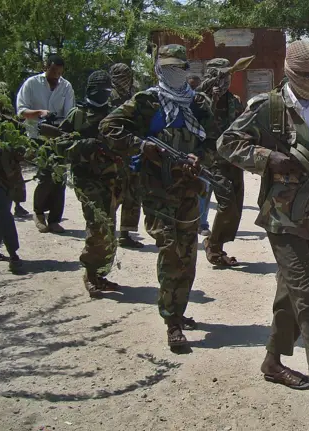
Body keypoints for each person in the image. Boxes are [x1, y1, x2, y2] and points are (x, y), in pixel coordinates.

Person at [217, 40, 309, 423]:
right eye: (304, 74)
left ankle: (273, 360)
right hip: (282, 217)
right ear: (288, 72)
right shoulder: (267, 108)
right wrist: (268, 159)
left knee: (290, 293)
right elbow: (227, 143)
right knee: (308, 296)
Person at [100, 44, 216, 349]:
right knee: (169, 250)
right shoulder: (146, 102)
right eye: (167, 68)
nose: (174, 74)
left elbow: (216, 140)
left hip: (188, 189)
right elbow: (109, 127)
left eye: (179, 68)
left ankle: (178, 308)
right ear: (157, 70)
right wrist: (141, 146)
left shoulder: (198, 104)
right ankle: (172, 320)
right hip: (155, 190)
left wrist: (199, 157)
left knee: (188, 254)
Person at [57, 70, 132, 298]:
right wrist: (84, 145)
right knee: (98, 227)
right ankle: (90, 274)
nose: (104, 95)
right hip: (87, 179)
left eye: (107, 91)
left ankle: (100, 274)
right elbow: (59, 144)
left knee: (109, 228)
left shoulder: (113, 115)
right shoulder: (77, 115)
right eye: (100, 91)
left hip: (111, 179)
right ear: (90, 90)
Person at [16, 54, 75, 234]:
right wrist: (40, 112)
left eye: (59, 72)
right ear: (46, 67)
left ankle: (55, 219)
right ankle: (39, 213)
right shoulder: (32, 84)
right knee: (45, 176)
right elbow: (21, 111)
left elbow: (70, 113)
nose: (56, 75)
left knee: (59, 178)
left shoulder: (66, 86)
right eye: (53, 71)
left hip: (58, 137)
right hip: (37, 136)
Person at [200, 58, 246, 267]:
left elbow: (244, 126)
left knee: (236, 206)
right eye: (220, 76)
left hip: (233, 159)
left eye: (227, 76)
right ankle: (214, 246)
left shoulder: (234, 100)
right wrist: (212, 99)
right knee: (227, 204)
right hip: (212, 161)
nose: (225, 80)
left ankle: (217, 244)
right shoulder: (200, 100)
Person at [0, 80, 29, 274]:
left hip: (7, 176)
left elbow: (21, 149)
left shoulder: (10, 123)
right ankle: (14, 255)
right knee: (3, 210)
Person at [109, 63, 144, 249]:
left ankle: (125, 233)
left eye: (127, 75)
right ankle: (107, 231)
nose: (124, 79)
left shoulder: (135, 95)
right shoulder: (108, 96)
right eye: (120, 75)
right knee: (114, 194)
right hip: (114, 151)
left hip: (134, 150)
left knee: (133, 193)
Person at [187, 73, 212, 236]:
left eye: (196, 85)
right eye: (191, 86)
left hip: (203, 152)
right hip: (185, 151)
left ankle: (202, 223)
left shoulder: (205, 102)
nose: (193, 89)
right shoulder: (182, 101)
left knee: (204, 188)